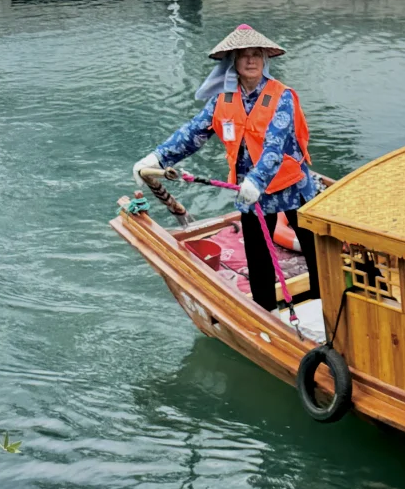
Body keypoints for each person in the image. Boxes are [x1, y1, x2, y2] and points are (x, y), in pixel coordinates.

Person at [133, 23, 320, 313]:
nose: (251, 60)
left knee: (315, 250)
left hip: (292, 185)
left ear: (265, 59)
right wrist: (157, 159)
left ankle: (325, 306)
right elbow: (193, 133)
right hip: (250, 191)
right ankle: (265, 315)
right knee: (258, 257)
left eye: (256, 54)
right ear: (233, 61)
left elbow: (275, 146)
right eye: (244, 55)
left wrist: (256, 180)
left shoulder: (281, 96)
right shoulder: (223, 99)